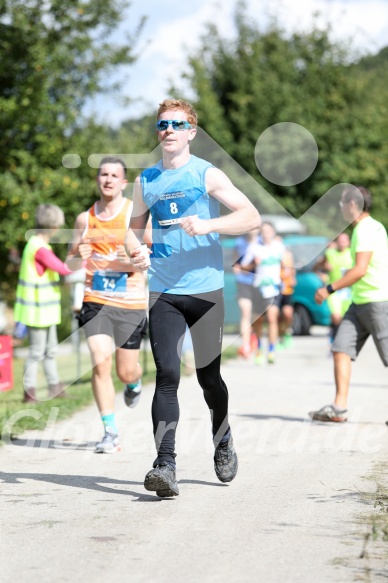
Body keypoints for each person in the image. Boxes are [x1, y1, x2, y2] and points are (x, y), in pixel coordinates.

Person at [125, 98, 260, 498]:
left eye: (176, 124)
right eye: (162, 123)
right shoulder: (145, 180)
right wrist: (137, 249)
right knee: (166, 375)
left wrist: (208, 224)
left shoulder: (207, 175)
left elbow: (251, 216)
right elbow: (132, 229)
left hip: (204, 291)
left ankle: (223, 439)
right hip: (163, 291)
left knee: (208, 377)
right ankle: (165, 466)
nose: (168, 129)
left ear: (191, 132)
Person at [66, 157, 149, 453]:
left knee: (125, 371)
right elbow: (70, 263)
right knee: (100, 360)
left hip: (130, 301)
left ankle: (133, 382)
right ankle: (110, 431)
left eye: (115, 175)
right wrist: (78, 251)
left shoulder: (134, 214)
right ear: (98, 179)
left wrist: (125, 261)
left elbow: (148, 256)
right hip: (96, 298)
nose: (109, 179)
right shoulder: (84, 219)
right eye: (104, 174)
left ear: (124, 182)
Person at [310, 185, 388, 422]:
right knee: (340, 349)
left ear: (352, 204)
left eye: (342, 204)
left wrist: (329, 288)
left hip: (377, 302)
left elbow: (360, 270)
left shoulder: (364, 229)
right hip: (359, 301)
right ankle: (339, 407)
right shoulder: (374, 226)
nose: (341, 208)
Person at [14, 204, 72, 402]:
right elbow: (63, 269)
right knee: (37, 352)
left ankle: (54, 386)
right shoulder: (40, 248)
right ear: (54, 227)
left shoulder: (35, 245)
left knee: (50, 351)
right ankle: (29, 392)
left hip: (44, 311)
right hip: (37, 311)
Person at [241, 222, 287, 365]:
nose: (266, 233)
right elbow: (244, 266)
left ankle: (271, 350)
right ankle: (259, 348)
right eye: (263, 231)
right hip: (259, 287)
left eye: (268, 230)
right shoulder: (254, 247)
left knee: (273, 317)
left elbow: (286, 264)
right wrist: (254, 263)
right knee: (259, 320)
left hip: (274, 287)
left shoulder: (279, 246)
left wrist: (286, 276)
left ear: (273, 232)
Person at [314, 233, 353, 344]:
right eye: (340, 240)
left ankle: (338, 336)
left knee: (346, 318)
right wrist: (322, 269)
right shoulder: (330, 253)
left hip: (348, 290)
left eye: (344, 240)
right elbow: (316, 267)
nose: (342, 243)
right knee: (336, 316)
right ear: (336, 242)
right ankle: (335, 338)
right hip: (333, 290)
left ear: (348, 242)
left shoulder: (352, 253)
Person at [233, 229, 260, 359]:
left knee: (257, 315)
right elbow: (235, 261)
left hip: (260, 283)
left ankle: (252, 335)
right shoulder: (239, 242)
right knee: (245, 311)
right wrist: (237, 269)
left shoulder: (262, 242)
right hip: (243, 283)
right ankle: (246, 346)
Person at [278, 246, 296, 350]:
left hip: (287, 289)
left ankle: (287, 331)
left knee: (287, 313)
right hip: (275, 288)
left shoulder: (288, 254)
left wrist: (293, 277)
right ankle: (280, 338)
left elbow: (292, 268)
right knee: (276, 316)